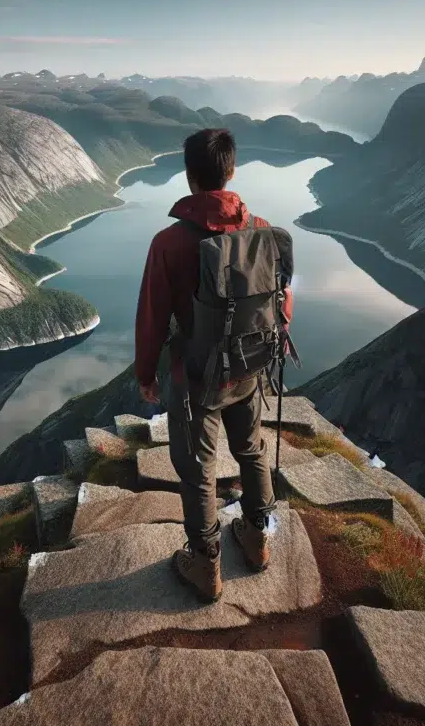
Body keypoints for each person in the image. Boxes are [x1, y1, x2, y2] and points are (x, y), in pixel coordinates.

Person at [134, 128, 294, 603]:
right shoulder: (261, 229)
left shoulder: (169, 243)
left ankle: (205, 566)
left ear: (189, 177)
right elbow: (282, 296)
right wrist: (276, 338)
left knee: (198, 470)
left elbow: (152, 318)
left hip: (198, 375)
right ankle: (257, 536)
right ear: (231, 171)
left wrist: (147, 375)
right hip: (249, 365)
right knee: (251, 450)